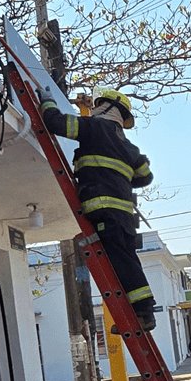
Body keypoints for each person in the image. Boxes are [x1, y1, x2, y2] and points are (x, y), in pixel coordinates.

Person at [35, 85, 157, 331]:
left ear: (107, 108)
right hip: (122, 214)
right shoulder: (130, 148)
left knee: (121, 262)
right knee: (124, 260)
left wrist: (47, 100)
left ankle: (143, 314)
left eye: (98, 105)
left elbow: (55, 122)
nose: (94, 109)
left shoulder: (94, 128)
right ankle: (134, 316)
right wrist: (122, 175)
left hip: (103, 209)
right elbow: (145, 177)